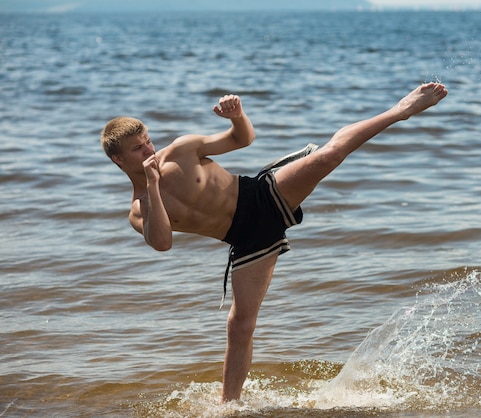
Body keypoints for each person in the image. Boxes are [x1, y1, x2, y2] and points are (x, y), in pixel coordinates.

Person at [100, 82, 448, 402]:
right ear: (119, 160)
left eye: (147, 139)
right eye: (137, 148)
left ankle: (401, 109)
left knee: (329, 155)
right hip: (248, 240)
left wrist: (237, 117)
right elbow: (162, 242)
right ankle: (229, 404)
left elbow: (242, 139)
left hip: (261, 196)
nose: (149, 148)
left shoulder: (181, 150)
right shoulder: (138, 209)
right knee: (239, 324)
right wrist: (152, 184)